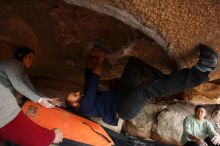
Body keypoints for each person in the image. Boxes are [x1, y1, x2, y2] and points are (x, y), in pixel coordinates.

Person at [65, 44, 218, 126]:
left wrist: (89, 60)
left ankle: (175, 81)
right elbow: (93, 81)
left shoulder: (84, 98)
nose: (77, 93)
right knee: (147, 91)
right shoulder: (84, 107)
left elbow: (88, 75)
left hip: (123, 93)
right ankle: (201, 71)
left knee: (134, 65)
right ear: (75, 105)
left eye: (75, 93)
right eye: (74, 95)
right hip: (124, 108)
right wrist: (100, 59)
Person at [0, 47, 63, 145]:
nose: (31, 61)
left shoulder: (21, 71)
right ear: (20, 56)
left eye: (32, 59)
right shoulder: (13, 64)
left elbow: (31, 89)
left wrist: (47, 99)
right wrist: (39, 100)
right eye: (29, 57)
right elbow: (18, 85)